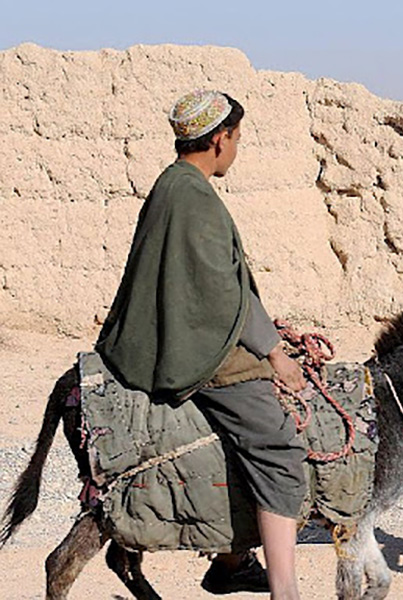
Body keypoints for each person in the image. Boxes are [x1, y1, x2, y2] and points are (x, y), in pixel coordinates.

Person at [95, 89, 306, 600]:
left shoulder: (173, 185)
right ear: (219, 140)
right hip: (194, 349)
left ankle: (233, 560)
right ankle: (285, 591)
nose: (237, 149)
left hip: (183, 335)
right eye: (237, 139)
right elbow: (223, 294)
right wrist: (275, 353)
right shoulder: (194, 197)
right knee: (279, 445)